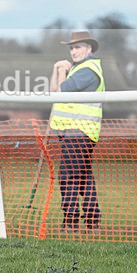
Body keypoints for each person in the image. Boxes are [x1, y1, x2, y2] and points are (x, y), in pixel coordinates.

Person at [49, 31, 105, 231]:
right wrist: (57, 69)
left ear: (89, 48)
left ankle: (71, 221)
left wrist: (63, 70)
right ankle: (92, 221)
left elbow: (62, 92)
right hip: (76, 132)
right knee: (83, 177)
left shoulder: (87, 70)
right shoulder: (78, 69)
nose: (73, 51)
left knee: (68, 176)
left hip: (79, 132)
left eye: (78, 47)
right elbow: (53, 92)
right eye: (71, 48)